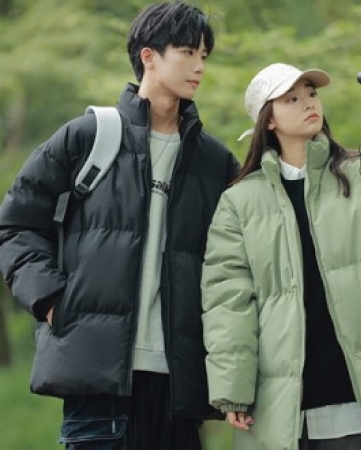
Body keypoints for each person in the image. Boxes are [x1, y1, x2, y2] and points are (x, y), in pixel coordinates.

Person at [0, 2, 239, 449]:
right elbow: (16, 223)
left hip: (180, 388)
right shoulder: (88, 137)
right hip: (98, 382)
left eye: (204, 55)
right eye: (188, 52)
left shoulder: (214, 160)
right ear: (149, 57)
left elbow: (239, 259)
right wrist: (50, 299)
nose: (199, 66)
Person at [201, 61, 361, 450]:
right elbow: (228, 301)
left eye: (312, 93)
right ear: (268, 120)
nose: (308, 103)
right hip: (277, 408)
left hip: (354, 403)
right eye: (292, 98)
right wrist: (232, 389)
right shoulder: (239, 202)